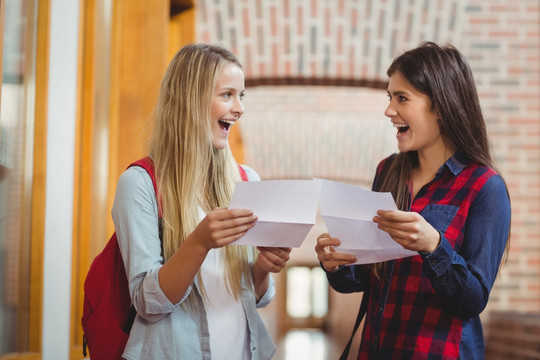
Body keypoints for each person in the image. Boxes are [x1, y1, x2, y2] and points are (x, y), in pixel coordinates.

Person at [315, 42, 511, 360]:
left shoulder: (485, 187)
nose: (389, 110)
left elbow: (473, 300)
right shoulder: (388, 170)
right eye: (389, 97)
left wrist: (433, 246)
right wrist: (337, 264)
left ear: (441, 107)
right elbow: (368, 279)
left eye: (401, 98)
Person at [112, 43, 291, 359]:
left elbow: (258, 298)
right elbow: (147, 303)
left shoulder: (246, 180)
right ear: (189, 100)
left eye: (241, 96)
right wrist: (199, 242)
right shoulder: (139, 184)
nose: (239, 108)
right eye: (227, 95)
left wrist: (263, 269)